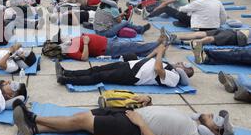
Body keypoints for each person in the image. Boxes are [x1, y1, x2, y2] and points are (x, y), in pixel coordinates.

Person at [12, 98, 234, 135]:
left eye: (217, 120)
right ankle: (34, 130)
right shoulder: (193, 122)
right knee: (80, 119)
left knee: (79, 122)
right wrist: (146, 103)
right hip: (130, 116)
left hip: (131, 129)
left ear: (216, 132)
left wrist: (141, 123)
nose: (213, 115)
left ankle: (33, 117)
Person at [56, 44, 194, 87]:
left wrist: (160, 54)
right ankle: (68, 72)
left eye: (183, 65)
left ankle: (66, 80)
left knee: (100, 76)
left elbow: (158, 69)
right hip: (130, 66)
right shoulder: (168, 65)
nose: (180, 63)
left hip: (132, 75)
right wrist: (158, 50)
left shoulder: (174, 77)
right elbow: (147, 59)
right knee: (96, 69)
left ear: (184, 72)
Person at [59, 33, 167, 61]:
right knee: (132, 46)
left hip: (107, 41)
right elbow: (84, 58)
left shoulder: (68, 42)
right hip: (106, 48)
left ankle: (156, 51)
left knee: (133, 48)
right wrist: (86, 43)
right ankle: (157, 44)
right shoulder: (69, 50)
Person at [165, 28, 250, 48]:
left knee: (210, 38)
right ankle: (174, 36)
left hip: (238, 37)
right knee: (202, 33)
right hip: (234, 31)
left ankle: (182, 42)